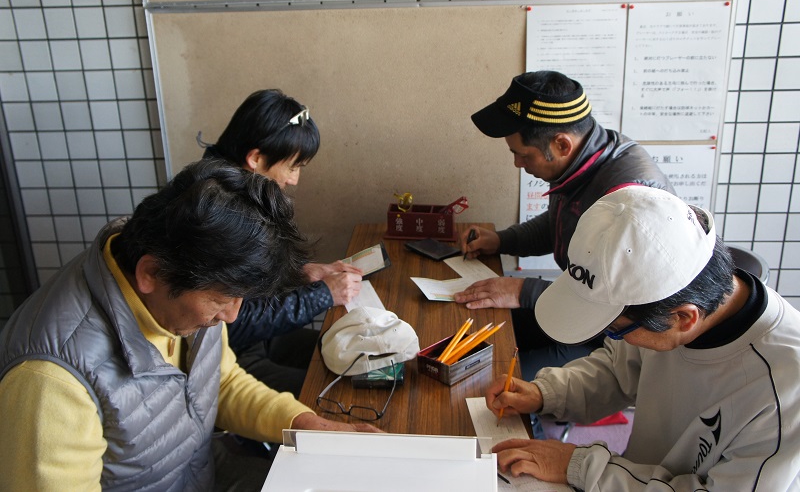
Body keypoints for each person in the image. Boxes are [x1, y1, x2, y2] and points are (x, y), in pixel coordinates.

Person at [0, 160, 379, 491]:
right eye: (222, 300)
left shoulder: (183, 270)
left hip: (197, 470)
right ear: (150, 273)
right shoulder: (51, 382)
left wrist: (306, 424)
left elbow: (221, 381)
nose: (232, 316)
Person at [486, 186, 800, 491]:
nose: (612, 337)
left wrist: (579, 466)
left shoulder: (783, 395)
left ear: (684, 318)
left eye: (614, 329)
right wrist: (546, 393)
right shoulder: (669, 307)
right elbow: (617, 369)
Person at [454, 70, 674, 378]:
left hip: (616, 337)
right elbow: (560, 226)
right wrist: (502, 240)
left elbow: (614, 304)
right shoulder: (587, 157)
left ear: (561, 145)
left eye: (522, 155)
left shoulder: (629, 199)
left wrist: (524, 290)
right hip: (577, 309)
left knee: (492, 375)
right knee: (475, 329)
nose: (517, 164)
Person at [200, 89, 362, 397]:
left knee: (354, 353)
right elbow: (231, 322)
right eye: (292, 166)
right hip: (223, 357)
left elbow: (250, 283)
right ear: (255, 158)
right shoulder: (218, 213)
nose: (294, 180)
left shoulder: (232, 188)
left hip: (255, 340)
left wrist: (302, 272)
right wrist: (323, 295)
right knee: (337, 392)